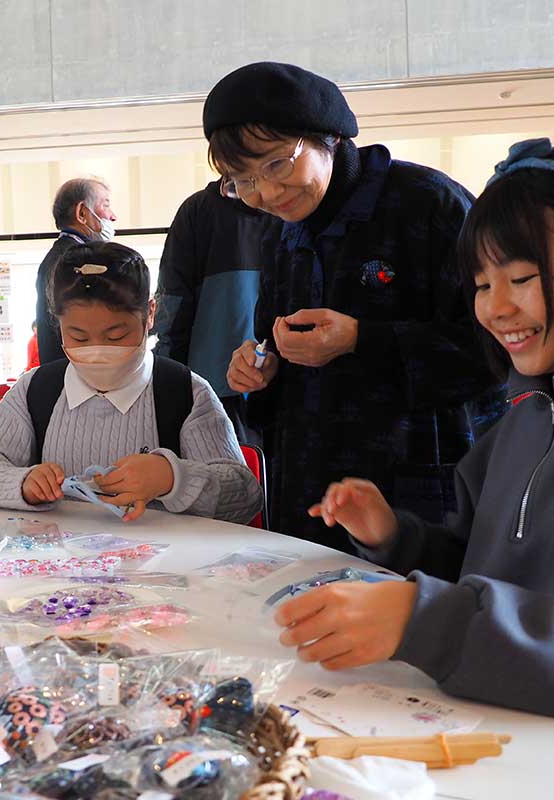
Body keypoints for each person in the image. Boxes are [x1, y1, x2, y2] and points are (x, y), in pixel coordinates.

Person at [280, 137, 554, 799]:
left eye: (520, 279)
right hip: (492, 746)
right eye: (482, 285)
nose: (493, 308)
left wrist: (427, 620)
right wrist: (397, 540)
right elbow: (477, 568)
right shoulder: (522, 418)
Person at [213, 62, 501, 551]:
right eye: (241, 181)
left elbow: (497, 351)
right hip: (308, 494)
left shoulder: (429, 204)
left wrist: (362, 340)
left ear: (328, 137)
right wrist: (259, 370)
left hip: (417, 497)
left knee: (416, 621)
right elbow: (273, 347)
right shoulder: (282, 234)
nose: (266, 193)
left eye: (278, 165)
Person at [0, 241, 261, 525]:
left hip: (162, 573)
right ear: (56, 324)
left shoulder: (184, 392)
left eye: (117, 336)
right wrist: (21, 483)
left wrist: (172, 478)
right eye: (78, 337)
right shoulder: (36, 390)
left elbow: (245, 495)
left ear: (149, 314)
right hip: (56, 571)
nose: (98, 350)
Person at [152, 179, 275, 442]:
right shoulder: (292, 206)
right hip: (278, 386)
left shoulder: (197, 211)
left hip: (213, 390)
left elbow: (171, 311)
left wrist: (167, 384)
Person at [35, 178, 117, 365]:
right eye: (106, 205)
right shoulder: (80, 261)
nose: (113, 216)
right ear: (82, 213)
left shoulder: (57, 256)